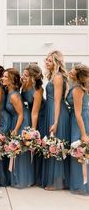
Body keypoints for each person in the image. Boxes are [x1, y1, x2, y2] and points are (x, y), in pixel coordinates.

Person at [42, 50, 70, 190]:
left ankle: (57, 182)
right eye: (46, 60)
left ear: (56, 62)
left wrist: (55, 121)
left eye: (49, 60)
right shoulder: (52, 76)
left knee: (56, 144)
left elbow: (58, 101)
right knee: (52, 145)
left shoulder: (58, 77)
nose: (46, 62)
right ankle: (55, 179)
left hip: (56, 112)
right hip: (50, 110)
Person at [2, 68, 33, 188]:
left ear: (11, 80)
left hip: (20, 122)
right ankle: (15, 177)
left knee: (19, 150)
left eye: (5, 77)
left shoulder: (14, 96)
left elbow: (21, 114)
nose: (2, 78)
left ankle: (21, 179)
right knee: (16, 150)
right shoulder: (9, 92)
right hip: (16, 120)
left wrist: (16, 129)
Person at [21, 64, 45, 185]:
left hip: (41, 116)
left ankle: (38, 177)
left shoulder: (38, 90)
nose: (23, 77)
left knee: (36, 146)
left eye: (26, 75)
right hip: (29, 115)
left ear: (33, 78)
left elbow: (35, 112)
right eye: (23, 74)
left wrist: (33, 131)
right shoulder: (24, 85)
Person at [67, 64, 89, 194]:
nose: (71, 70)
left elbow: (78, 113)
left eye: (74, 69)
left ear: (78, 74)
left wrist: (83, 133)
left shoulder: (78, 89)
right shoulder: (76, 87)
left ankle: (81, 185)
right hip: (79, 119)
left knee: (79, 150)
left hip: (80, 121)